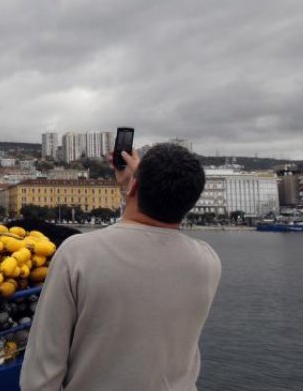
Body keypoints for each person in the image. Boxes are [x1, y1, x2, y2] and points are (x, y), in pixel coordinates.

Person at [20, 143, 221, 391]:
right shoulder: (208, 261)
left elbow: (40, 376)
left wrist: (134, 182)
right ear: (190, 201)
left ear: (135, 187)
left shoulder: (78, 254)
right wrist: (135, 182)